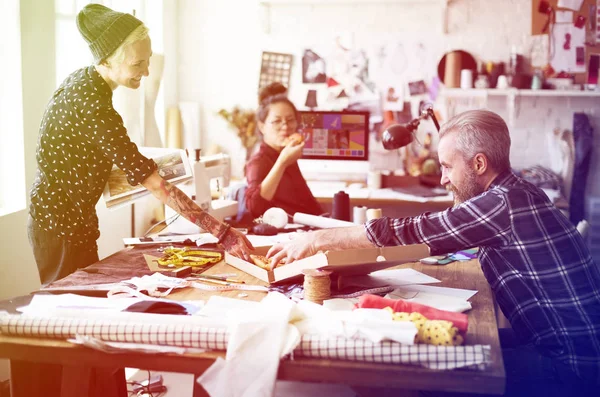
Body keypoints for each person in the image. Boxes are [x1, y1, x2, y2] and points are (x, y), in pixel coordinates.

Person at [267, 109, 600, 395]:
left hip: (571, 368)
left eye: (446, 167)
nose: (442, 179)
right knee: (456, 344)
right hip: (575, 353)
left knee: (413, 372)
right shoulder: (520, 192)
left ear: (479, 163)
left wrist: (317, 240)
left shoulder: (502, 203)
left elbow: (415, 230)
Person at [28, 4, 253, 285]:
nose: (146, 72)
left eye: (147, 60)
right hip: (59, 227)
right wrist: (224, 234)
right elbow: (156, 185)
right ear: (108, 60)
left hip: (75, 223)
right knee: (66, 310)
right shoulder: (94, 105)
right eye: (137, 64)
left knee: (85, 305)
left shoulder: (86, 82)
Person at [244, 84, 323, 219]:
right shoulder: (258, 162)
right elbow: (254, 208)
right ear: (262, 126)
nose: (285, 126)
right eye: (276, 121)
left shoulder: (286, 153)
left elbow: (307, 203)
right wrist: (282, 162)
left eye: (290, 120)